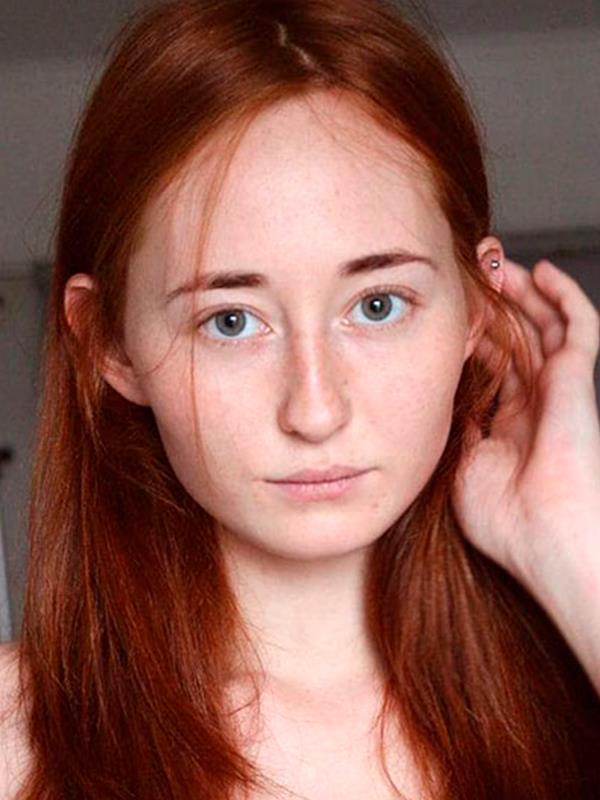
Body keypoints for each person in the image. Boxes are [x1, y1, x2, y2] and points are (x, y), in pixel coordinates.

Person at [1, 0, 599, 797]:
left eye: (377, 305)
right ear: (109, 342)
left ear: (477, 308)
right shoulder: (16, 739)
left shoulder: (578, 690)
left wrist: (574, 545)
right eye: (231, 321)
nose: (315, 411)